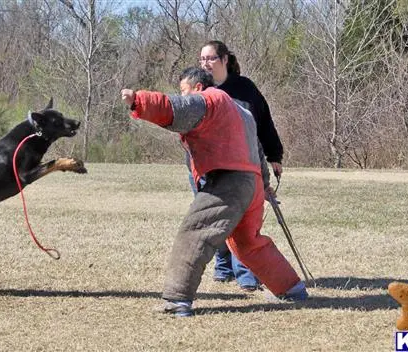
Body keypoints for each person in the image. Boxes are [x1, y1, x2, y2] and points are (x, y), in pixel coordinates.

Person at [120, 67, 308, 317]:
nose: (183, 95)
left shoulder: (209, 99)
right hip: (251, 183)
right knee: (248, 243)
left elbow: (176, 108)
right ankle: (291, 287)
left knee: (195, 233)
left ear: (198, 88)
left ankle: (178, 300)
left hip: (227, 179)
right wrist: (264, 185)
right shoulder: (242, 111)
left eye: (185, 90)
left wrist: (139, 100)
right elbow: (258, 151)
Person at [199, 40, 285, 289]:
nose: (206, 63)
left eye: (211, 58)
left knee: (241, 219)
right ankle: (223, 267)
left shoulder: (244, 88)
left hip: (243, 164)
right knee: (214, 218)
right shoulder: (198, 88)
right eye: (202, 59)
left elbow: (264, 122)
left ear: (225, 60)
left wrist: (274, 154)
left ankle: (245, 273)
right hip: (208, 165)